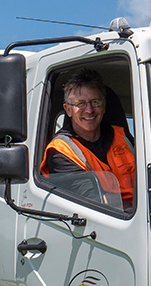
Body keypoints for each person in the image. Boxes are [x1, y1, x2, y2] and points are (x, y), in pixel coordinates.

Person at [39, 68, 135, 210]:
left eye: (95, 102)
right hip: (105, 225)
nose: (89, 110)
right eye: (80, 104)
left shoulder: (123, 137)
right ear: (68, 110)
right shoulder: (60, 151)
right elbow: (94, 203)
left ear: (104, 106)